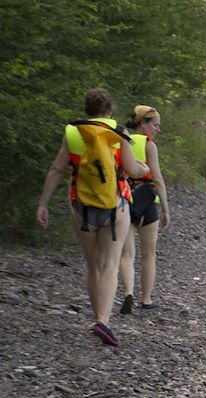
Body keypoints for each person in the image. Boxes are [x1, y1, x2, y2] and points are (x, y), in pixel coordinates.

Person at [37, 88, 149, 346]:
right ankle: (103, 320)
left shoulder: (73, 133)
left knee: (93, 265)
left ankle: (97, 315)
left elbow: (56, 169)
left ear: (85, 110)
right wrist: (143, 168)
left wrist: (43, 204)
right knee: (110, 264)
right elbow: (132, 170)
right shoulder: (119, 133)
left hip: (82, 206)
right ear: (109, 110)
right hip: (116, 206)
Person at [119, 106, 170, 314]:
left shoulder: (122, 140)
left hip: (126, 199)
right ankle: (146, 299)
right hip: (147, 201)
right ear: (143, 124)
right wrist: (166, 209)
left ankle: (128, 293)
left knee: (126, 254)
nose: (157, 129)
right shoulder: (150, 146)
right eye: (155, 125)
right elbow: (157, 178)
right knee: (148, 254)